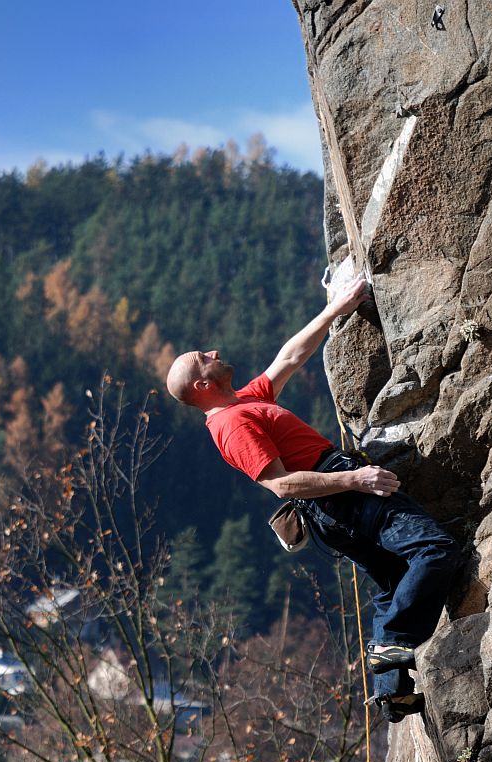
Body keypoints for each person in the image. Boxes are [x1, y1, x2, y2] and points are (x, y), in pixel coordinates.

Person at [166, 277, 461, 722]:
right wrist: (356, 479)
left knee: (392, 583)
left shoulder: (242, 402)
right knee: (435, 550)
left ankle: (392, 688)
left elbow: (289, 356)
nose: (212, 352)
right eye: (202, 359)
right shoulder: (230, 426)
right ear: (201, 386)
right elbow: (281, 485)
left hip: (335, 501)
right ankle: (393, 641)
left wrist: (334, 310)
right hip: (339, 494)